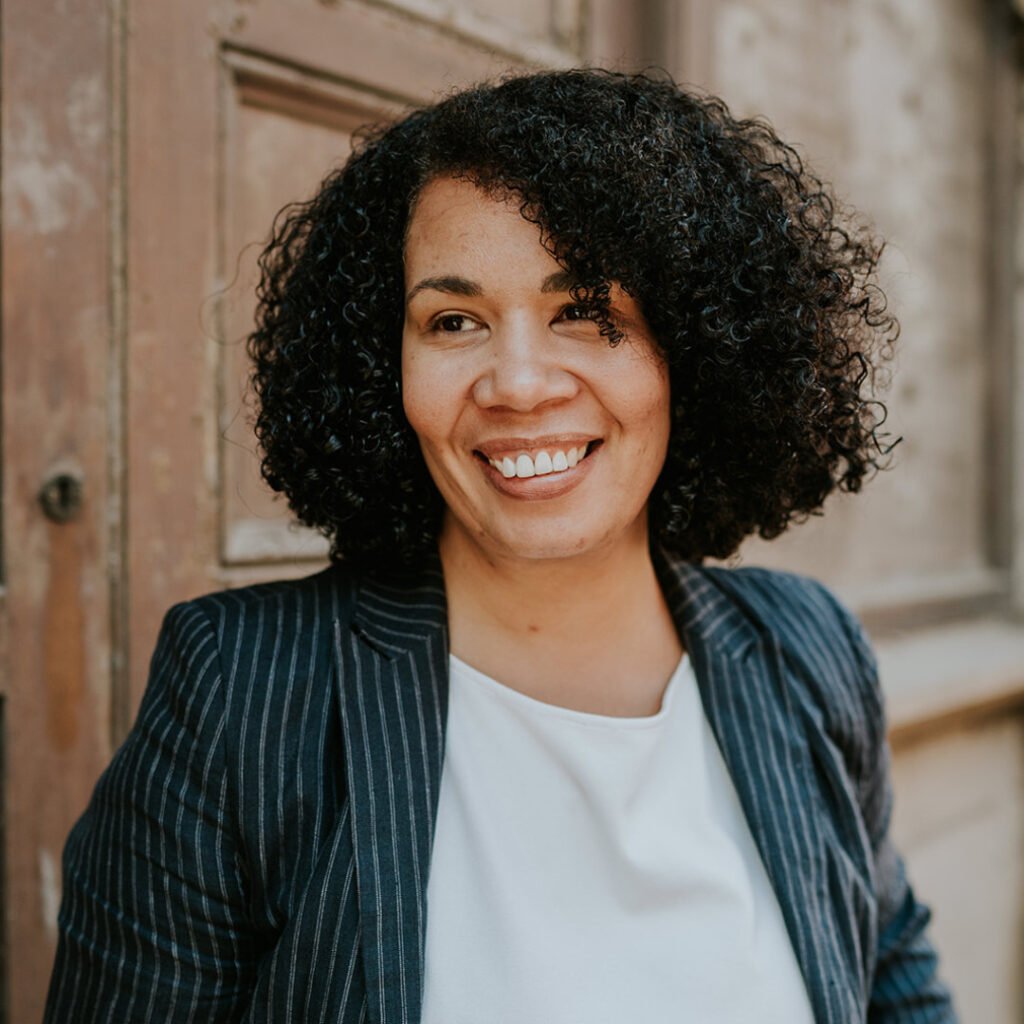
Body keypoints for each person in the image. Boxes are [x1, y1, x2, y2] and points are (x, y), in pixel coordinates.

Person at [45, 69, 957, 1023]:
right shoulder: (242, 689)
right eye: (454, 321)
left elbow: (891, 972)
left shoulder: (807, 648)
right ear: (379, 365)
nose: (518, 384)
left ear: (694, 346)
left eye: (586, 311)